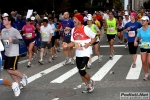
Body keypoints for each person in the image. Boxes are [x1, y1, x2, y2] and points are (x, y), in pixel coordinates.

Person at [62, 14, 96, 93]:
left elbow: (94, 37)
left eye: (75, 19)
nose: (74, 20)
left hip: (86, 52)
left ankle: (90, 82)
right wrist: (67, 45)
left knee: (82, 71)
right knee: (80, 71)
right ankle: (87, 84)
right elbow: (73, 43)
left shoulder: (86, 29)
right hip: (78, 53)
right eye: (73, 19)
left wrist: (89, 43)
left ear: (80, 21)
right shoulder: (73, 30)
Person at [1, 15, 28, 89]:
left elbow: (20, 40)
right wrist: (4, 49)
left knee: (10, 70)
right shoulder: (3, 31)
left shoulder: (14, 30)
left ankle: (23, 77)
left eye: (5, 19)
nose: (3, 20)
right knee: (10, 70)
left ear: (9, 21)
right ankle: (18, 83)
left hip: (14, 53)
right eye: (3, 19)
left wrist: (13, 40)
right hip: (7, 53)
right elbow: (4, 42)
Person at [134, 16, 150, 80]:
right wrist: (135, 41)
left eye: (144, 20)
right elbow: (137, 36)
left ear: (147, 21)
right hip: (143, 46)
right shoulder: (140, 29)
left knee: (149, 62)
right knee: (143, 61)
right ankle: (146, 74)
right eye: (142, 20)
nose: (142, 22)